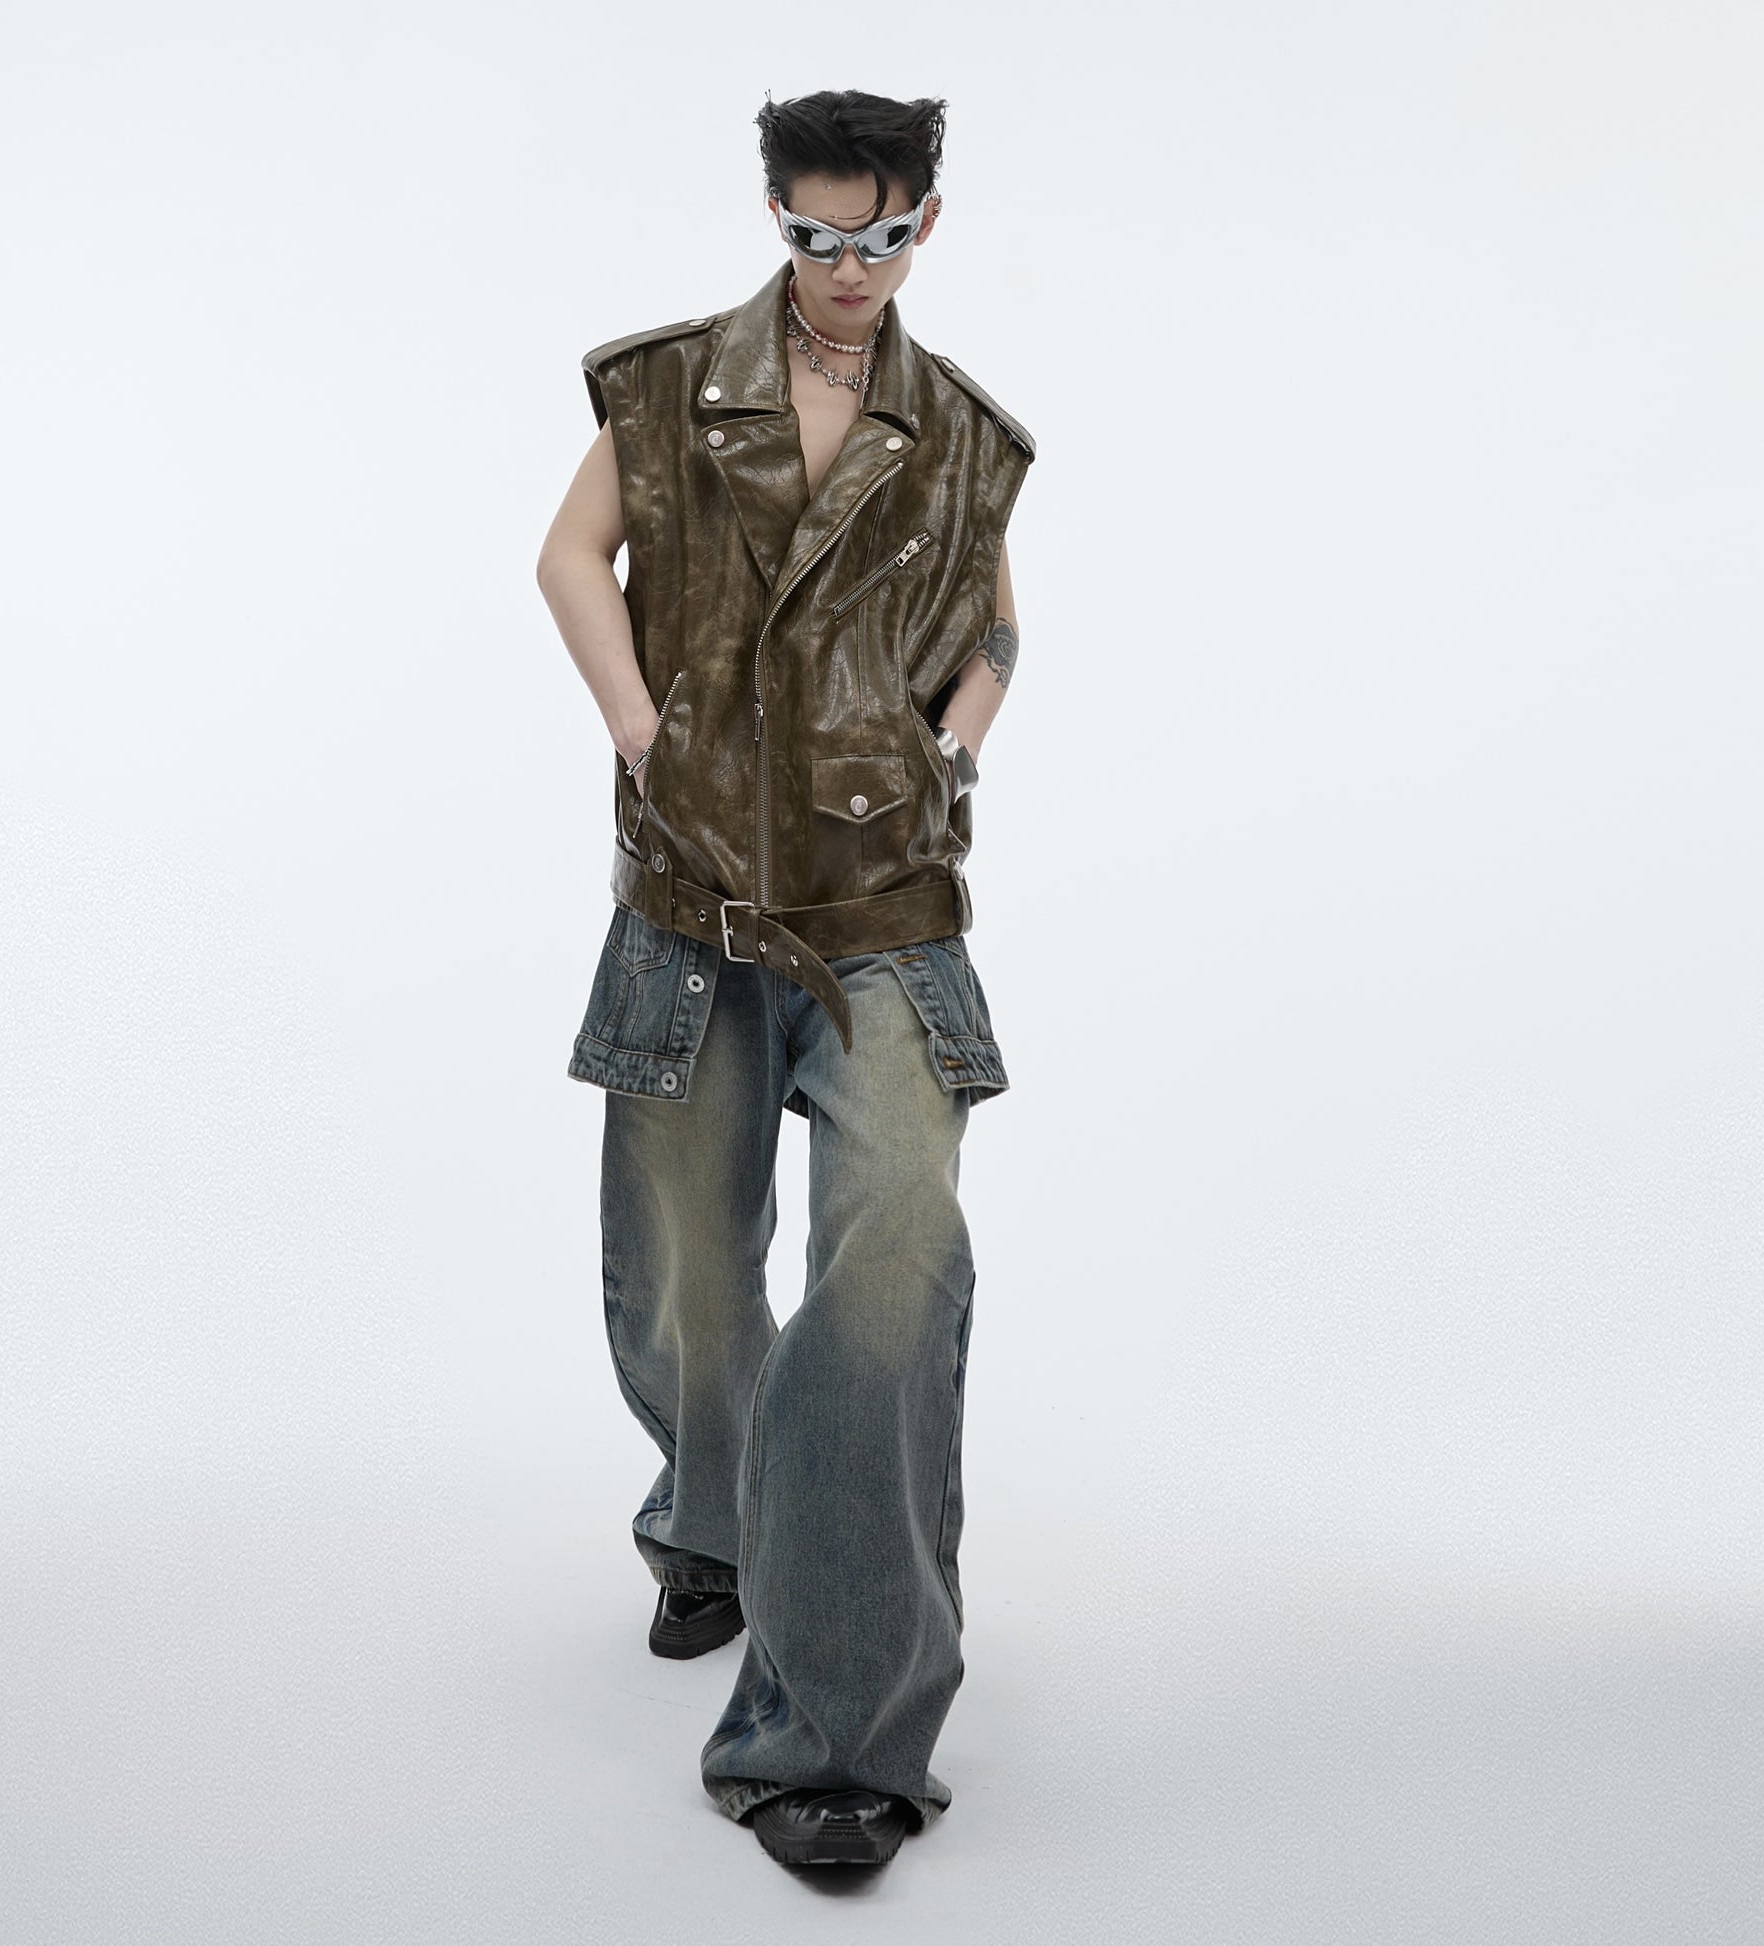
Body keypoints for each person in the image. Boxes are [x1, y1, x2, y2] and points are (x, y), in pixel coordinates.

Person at [535, 87, 1035, 1869]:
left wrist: (949, 747)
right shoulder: (668, 385)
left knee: (892, 1251)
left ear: (924, 224)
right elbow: (566, 556)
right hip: (689, 901)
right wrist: (640, 725)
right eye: (818, 235)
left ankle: (836, 1729)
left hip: (885, 911)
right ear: (776, 217)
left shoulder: (961, 433)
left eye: (879, 236)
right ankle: (716, 1519)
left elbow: (997, 624)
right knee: (683, 1267)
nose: (847, 267)